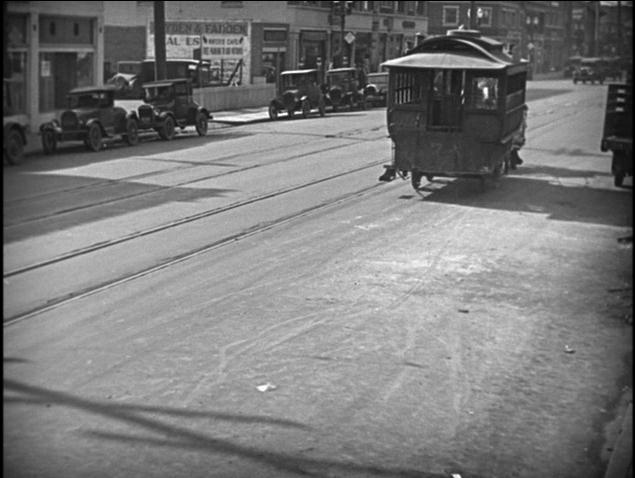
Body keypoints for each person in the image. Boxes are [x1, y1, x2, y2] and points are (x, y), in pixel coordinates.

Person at [510, 104, 528, 169]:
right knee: (513, 147)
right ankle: (514, 160)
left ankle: (514, 160)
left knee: (513, 147)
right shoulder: (520, 117)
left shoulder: (518, 115)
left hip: (515, 136)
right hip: (515, 137)